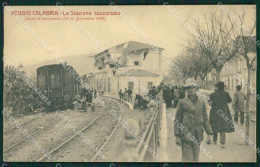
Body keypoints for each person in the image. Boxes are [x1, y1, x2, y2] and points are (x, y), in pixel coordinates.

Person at [174, 86, 213, 162]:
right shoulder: (182, 102)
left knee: (195, 160)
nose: (190, 90)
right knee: (187, 159)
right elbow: (177, 120)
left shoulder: (201, 102)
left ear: (196, 89)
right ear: (185, 90)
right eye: (188, 88)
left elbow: (205, 119)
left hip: (197, 135)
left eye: (192, 87)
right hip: (185, 135)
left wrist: (209, 133)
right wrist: (177, 136)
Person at [209, 81, 234, 148]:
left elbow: (210, 103)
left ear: (217, 87)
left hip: (214, 111)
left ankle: (214, 140)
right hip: (223, 112)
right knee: (223, 126)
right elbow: (230, 101)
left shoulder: (213, 94)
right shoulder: (226, 93)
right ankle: (222, 142)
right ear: (223, 87)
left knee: (214, 125)